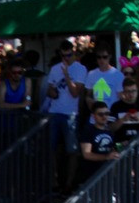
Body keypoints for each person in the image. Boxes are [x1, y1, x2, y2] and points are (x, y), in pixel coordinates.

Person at [45, 40, 87, 191]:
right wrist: (52, 92)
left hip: (71, 114)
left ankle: (69, 183)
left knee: (72, 150)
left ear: (73, 53)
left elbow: (75, 93)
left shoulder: (80, 69)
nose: (66, 59)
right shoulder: (55, 68)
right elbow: (49, 90)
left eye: (68, 55)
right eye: (63, 56)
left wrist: (67, 75)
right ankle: (54, 181)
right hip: (55, 112)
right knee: (51, 149)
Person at [79, 101, 119, 183]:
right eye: (100, 114)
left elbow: (111, 148)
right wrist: (106, 157)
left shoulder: (110, 131)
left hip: (107, 174)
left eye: (107, 113)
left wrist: (120, 146)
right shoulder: (88, 131)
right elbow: (87, 154)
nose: (104, 117)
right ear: (93, 116)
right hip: (91, 175)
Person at [110, 78, 139, 146]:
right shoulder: (116, 106)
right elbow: (110, 128)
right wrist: (123, 119)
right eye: (128, 91)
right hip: (121, 144)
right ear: (123, 92)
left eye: (133, 91)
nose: (131, 94)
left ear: (137, 91)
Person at [85, 46, 124, 111]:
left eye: (104, 57)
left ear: (109, 57)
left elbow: (121, 97)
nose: (101, 60)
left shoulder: (118, 75)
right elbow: (88, 96)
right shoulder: (91, 74)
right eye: (99, 57)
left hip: (112, 114)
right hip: (96, 116)